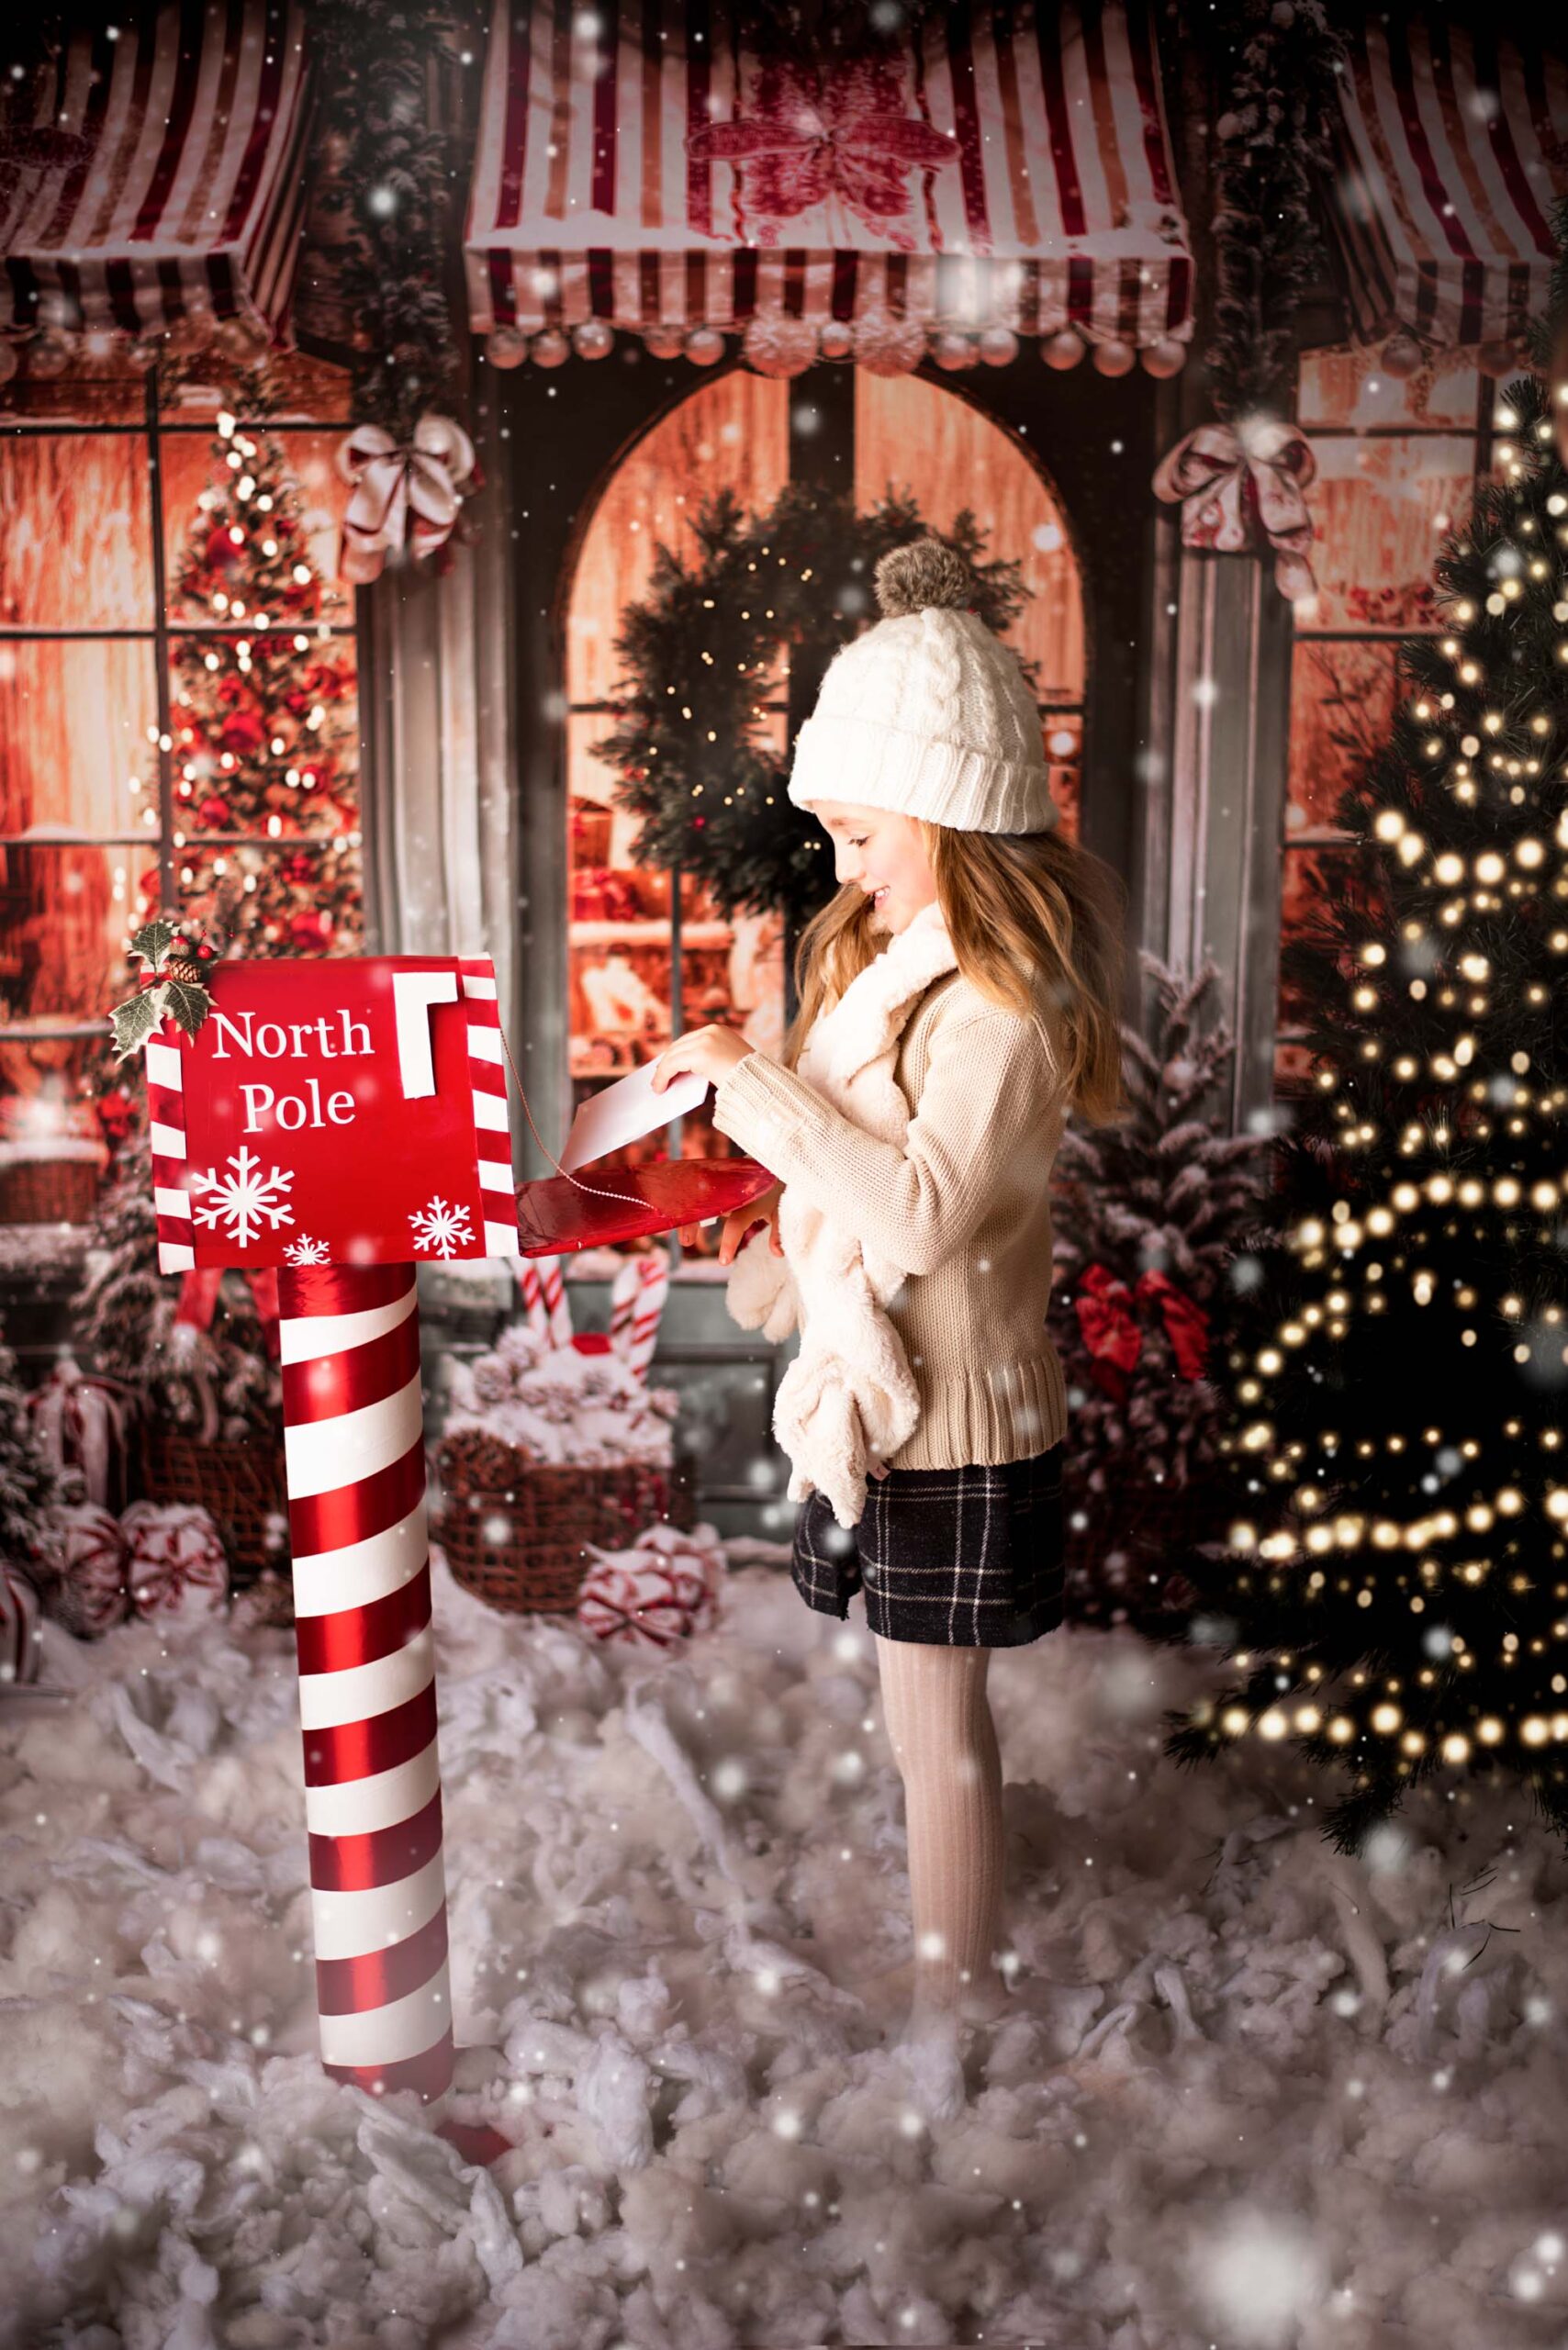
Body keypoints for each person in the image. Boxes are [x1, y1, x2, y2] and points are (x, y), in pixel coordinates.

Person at [650, 535, 1126, 2071]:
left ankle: (959, 2015)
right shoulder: (883, 964)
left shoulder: (1004, 1006)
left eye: (860, 834)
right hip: (885, 1396)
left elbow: (920, 1207)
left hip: (954, 1416)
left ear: (946, 815)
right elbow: (844, 1194)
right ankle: (954, 1965)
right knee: (914, 1715)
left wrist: (752, 1091)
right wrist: (782, 1248)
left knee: (939, 1731)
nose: (841, 866)